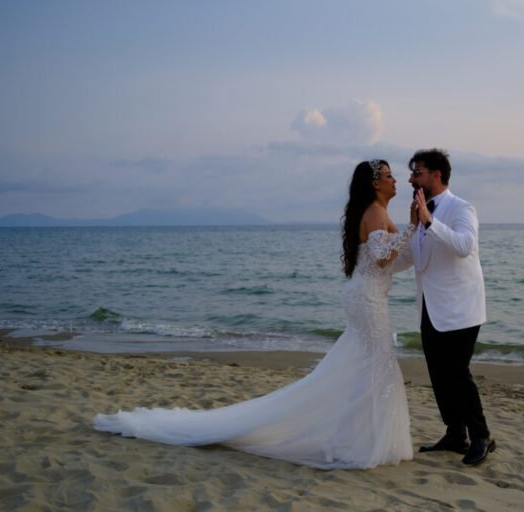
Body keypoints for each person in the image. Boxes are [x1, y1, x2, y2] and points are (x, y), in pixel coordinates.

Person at [94, 160, 415, 470]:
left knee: (370, 368)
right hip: (368, 300)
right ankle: (359, 442)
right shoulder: (375, 211)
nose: (395, 180)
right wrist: (413, 226)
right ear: (375, 183)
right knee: (377, 367)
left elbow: (391, 260)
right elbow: (383, 257)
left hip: (366, 296)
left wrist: (418, 243)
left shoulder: (378, 212)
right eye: (388, 175)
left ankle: (358, 438)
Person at [393, 148, 495, 466]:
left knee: (457, 374)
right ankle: (455, 434)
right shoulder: (420, 213)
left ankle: (481, 436)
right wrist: (374, 267)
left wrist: (429, 221)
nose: (411, 179)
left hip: (461, 308)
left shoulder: (462, 208)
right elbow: (412, 258)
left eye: (417, 173)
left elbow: (465, 246)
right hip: (429, 308)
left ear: (437, 175)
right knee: (439, 375)